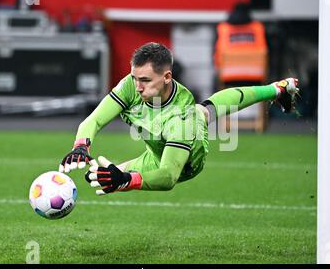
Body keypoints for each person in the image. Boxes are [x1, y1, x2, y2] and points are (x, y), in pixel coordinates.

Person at [58, 42, 299, 195]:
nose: (137, 86)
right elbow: (93, 121)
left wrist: (125, 180)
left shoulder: (183, 119)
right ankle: (278, 89)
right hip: (153, 153)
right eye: (134, 78)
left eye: (145, 81)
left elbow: (168, 177)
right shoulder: (130, 86)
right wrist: (81, 146)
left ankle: (274, 89)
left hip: (183, 163)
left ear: (166, 77)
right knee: (207, 109)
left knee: (201, 113)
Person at [213, 2, 269, 131]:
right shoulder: (258, 27)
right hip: (255, 76)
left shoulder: (223, 28)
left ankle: (224, 123)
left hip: (229, 76)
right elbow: (266, 53)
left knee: (216, 83)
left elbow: (217, 54)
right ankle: (259, 124)